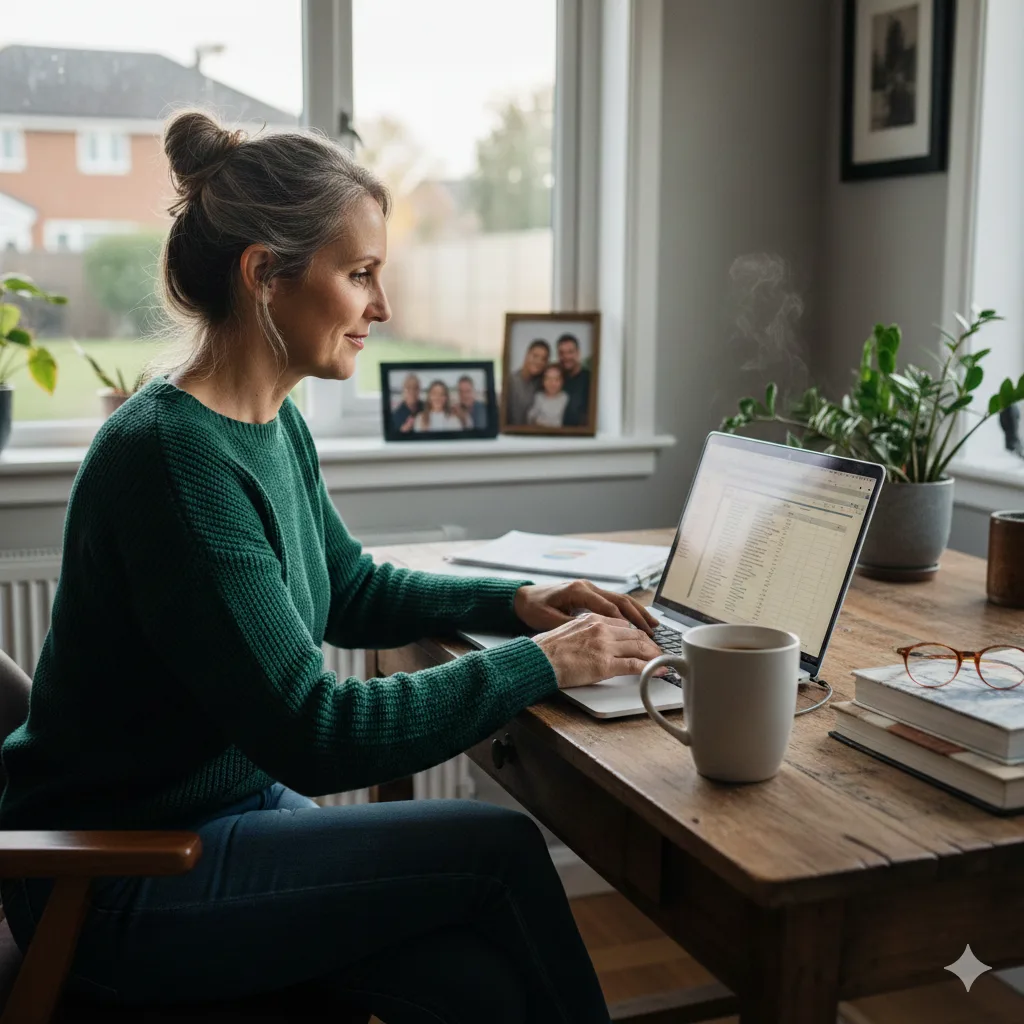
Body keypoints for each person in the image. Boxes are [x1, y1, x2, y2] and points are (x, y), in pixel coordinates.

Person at [0, 110, 665, 1023]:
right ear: (264, 273)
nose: (381, 308)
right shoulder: (169, 458)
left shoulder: (268, 419)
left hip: (223, 821)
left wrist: (518, 602)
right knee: (498, 851)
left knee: (484, 984)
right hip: (119, 880)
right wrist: (544, 664)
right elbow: (312, 732)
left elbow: (347, 585)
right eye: (360, 276)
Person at [505, 338, 549, 425]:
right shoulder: (511, 381)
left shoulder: (542, 382)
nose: (539, 362)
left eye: (543, 359)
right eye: (535, 356)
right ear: (527, 355)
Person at [557, 333, 592, 428]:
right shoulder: (555, 378)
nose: (566, 357)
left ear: (578, 353)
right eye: (562, 353)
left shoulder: (590, 379)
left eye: (570, 352)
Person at [527, 363, 569, 428]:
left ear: (562, 381)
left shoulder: (565, 398)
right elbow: (531, 417)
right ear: (543, 381)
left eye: (557, 379)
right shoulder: (538, 397)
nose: (552, 383)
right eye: (548, 379)